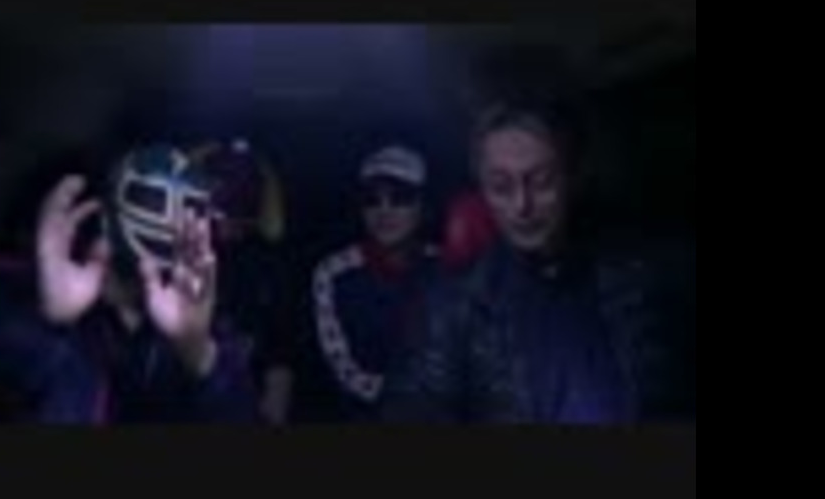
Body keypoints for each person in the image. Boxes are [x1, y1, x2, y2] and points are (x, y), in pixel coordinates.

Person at [382, 100, 690, 423]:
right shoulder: (453, 309)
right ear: (482, 191)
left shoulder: (649, 274)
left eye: (542, 182)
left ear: (572, 177)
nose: (522, 206)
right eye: (501, 187)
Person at [0, 142, 258, 423]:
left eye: (188, 206)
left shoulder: (196, 323)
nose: (167, 219)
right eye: (152, 199)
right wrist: (45, 320)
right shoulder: (30, 284)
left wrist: (198, 353)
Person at [308, 145, 442, 422]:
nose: (384, 210)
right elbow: (344, 369)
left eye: (400, 198)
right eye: (371, 199)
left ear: (423, 206)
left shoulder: (447, 269)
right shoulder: (332, 274)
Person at [188, 138, 296, 425]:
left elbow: (279, 355)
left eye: (242, 196)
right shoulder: (181, 258)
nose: (229, 215)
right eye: (221, 196)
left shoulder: (267, 266)